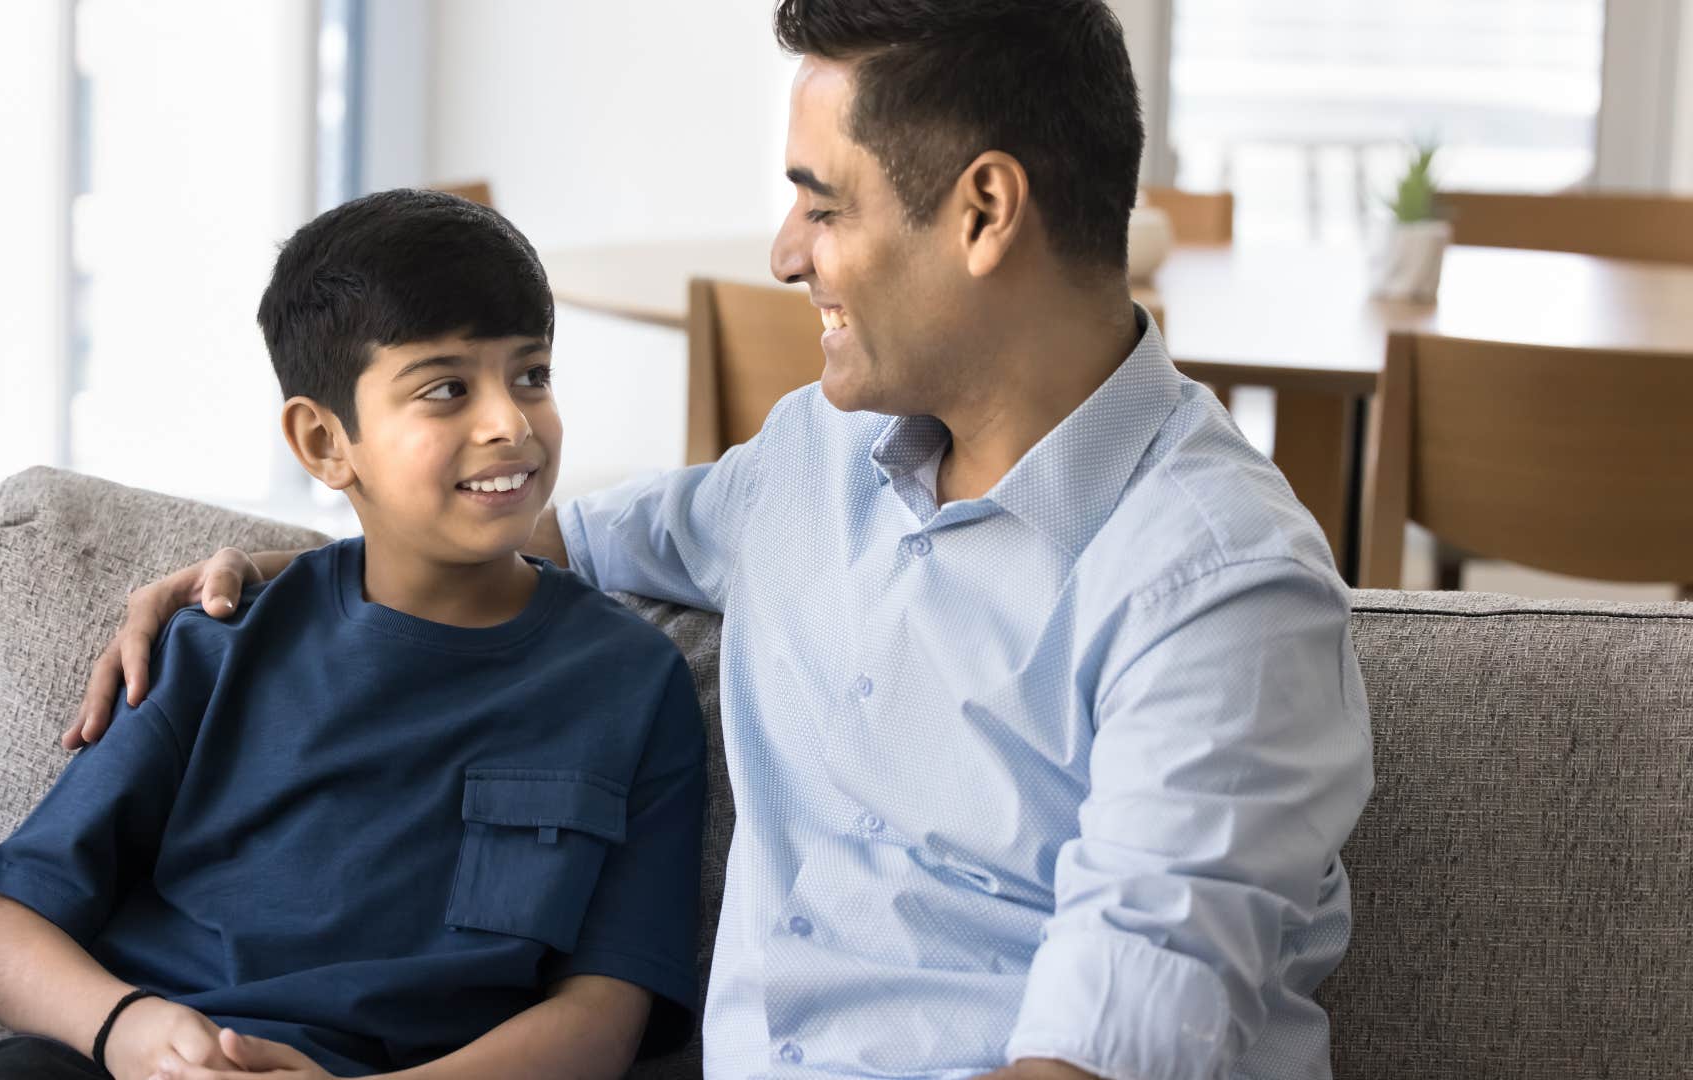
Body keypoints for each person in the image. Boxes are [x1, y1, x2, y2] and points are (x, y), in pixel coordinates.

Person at [74, 2, 1375, 1078]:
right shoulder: (808, 461)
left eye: (825, 204)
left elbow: (1115, 1047)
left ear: (984, 213)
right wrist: (254, 582)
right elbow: (522, 537)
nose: (784, 251)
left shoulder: (1220, 595)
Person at [0, 190, 705, 1080]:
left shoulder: (633, 682)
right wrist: (130, 1030)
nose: (509, 421)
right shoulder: (216, 649)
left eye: (531, 374)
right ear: (323, 440)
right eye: (447, 388)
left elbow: (605, 1015)